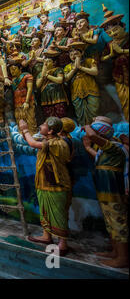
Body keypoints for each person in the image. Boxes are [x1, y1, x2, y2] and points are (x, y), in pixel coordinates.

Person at [19, 117, 72, 256]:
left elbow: (32, 143)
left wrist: (25, 129)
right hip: (43, 183)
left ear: (51, 130)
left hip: (56, 185)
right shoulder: (47, 141)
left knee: (58, 214)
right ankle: (47, 236)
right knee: (45, 210)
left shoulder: (57, 144)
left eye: (43, 125)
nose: (40, 126)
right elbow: (31, 141)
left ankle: (63, 244)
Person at [82, 117, 128, 268]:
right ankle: (115, 251)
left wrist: (88, 126)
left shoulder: (115, 148)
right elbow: (99, 159)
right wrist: (88, 148)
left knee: (118, 223)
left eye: (95, 133)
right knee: (111, 223)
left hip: (113, 193)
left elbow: (92, 135)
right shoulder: (106, 150)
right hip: (105, 192)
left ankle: (123, 257)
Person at [100, 5, 129, 122]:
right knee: (124, 100)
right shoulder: (110, 44)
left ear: (123, 26)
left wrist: (122, 51)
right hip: (119, 75)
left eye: (115, 30)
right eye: (109, 32)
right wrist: (111, 55)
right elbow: (102, 58)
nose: (113, 33)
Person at [64, 41, 100, 125]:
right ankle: (84, 128)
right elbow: (66, 79)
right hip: (76, 91)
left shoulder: (89, 61)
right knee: (80, 112)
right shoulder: (68, 66)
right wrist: (74, 68)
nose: (73, 56)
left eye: (76, 54)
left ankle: (96, 127)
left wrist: (80, 66)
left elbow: (95, 72)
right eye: (71, 54)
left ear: (82, 53)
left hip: (91, 89)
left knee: (94, 109)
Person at [36, 48, 69, 119]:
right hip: (46, 98)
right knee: (49, 117)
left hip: (57, 96)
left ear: (54, 63)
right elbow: (38, 85)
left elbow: (59, 80)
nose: (46, 63)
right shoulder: (40, 74)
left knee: (61, 115)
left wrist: (47, 76)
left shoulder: (58, 70)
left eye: (49, 61)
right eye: (45, 62)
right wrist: (43, 75)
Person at [9, 56, 37, 135]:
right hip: (17, 103)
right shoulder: (13, 80)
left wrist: (27, 102)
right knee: (19, 119)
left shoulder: (27, 76)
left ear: (20, 68)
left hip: (27, 102)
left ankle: (32, 134)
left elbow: (30, 89)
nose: (12, 72)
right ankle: (22, 135)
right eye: (10, 70)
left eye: (14, 69)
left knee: (30, 119)